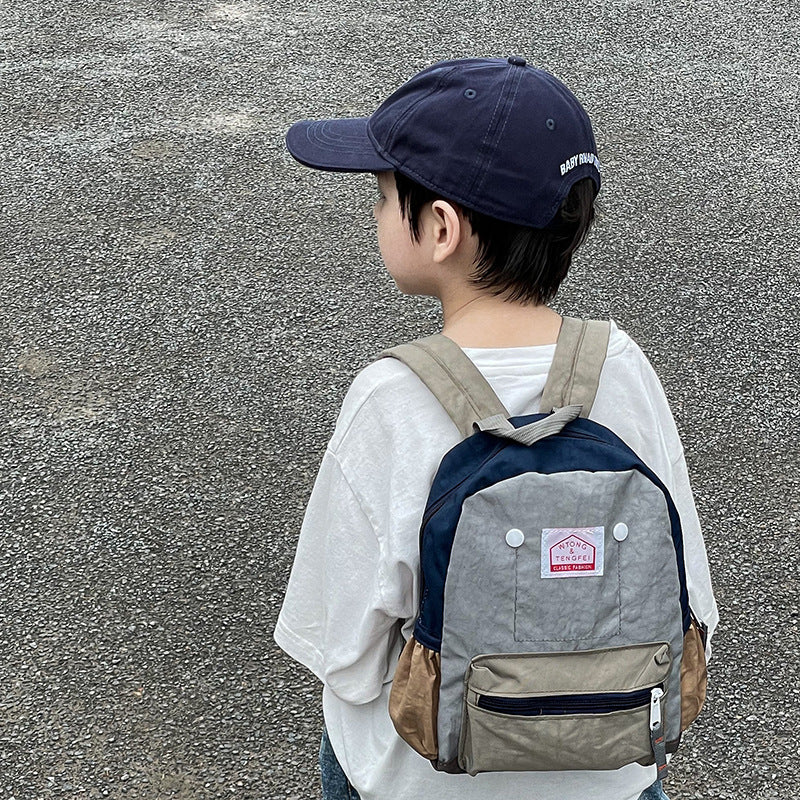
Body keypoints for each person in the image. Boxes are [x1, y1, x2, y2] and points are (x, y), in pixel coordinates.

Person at [273, 56, 718, 800]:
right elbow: (691, 602)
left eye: (383, 196)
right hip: (612, 775)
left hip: (419, 780)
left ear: (440, 228)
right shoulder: (623, 368)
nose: (378, 212)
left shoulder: (391, 396)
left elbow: (337, 646)